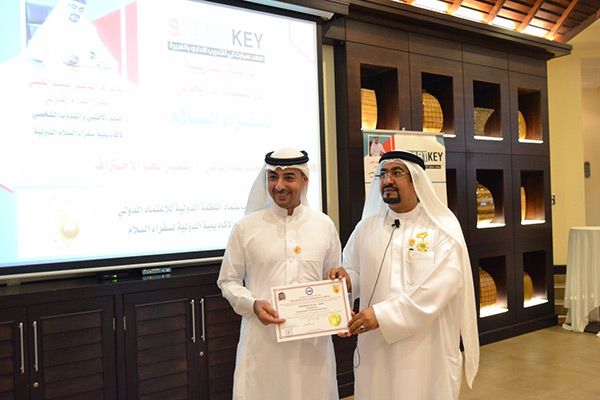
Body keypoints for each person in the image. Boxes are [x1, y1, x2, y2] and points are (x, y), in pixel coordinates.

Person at [327, 150, 479, 399]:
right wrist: (347, 279)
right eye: (383, 174)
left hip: (426, 348)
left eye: (397, 173)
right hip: (377, 345)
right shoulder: (366, 228)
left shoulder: (442, 229)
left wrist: (381, 315)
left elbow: (439, 288)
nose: (387, 180)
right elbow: (355, 269)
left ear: (416, 180)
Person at [217, 147, 342, 400]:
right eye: (273, 177)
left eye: (289, 177)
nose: (279, 185)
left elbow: (333, 279)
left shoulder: (324, 225)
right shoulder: (246, 227)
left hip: (312, 347)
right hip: (264, 344)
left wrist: (339, 310)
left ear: (304, 179)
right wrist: (252, 304)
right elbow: (228, 280)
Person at [27, 0, 117, 69]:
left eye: (81, 10)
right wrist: (63, 59)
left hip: (83, 74)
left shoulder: (88, 28)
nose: (77, 13)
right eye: (73, 7)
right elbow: (33, 51)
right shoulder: (51, 25)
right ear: (64, 7)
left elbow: (100, 50)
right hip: (55, 73)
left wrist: (107, 61)